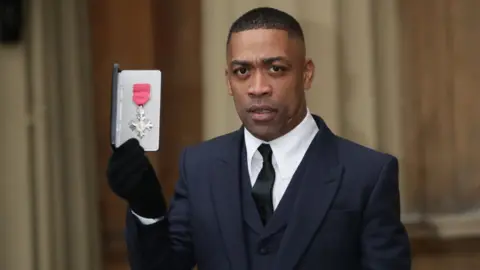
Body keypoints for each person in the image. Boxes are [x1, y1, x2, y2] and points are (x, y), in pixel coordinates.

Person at [106, 6, 411, 270]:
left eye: (276, 69)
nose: (258, 87)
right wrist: (146, 208)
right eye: (242, 71)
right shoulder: (199, 168)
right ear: (228, 81)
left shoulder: (368, 174)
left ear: (306, 75)